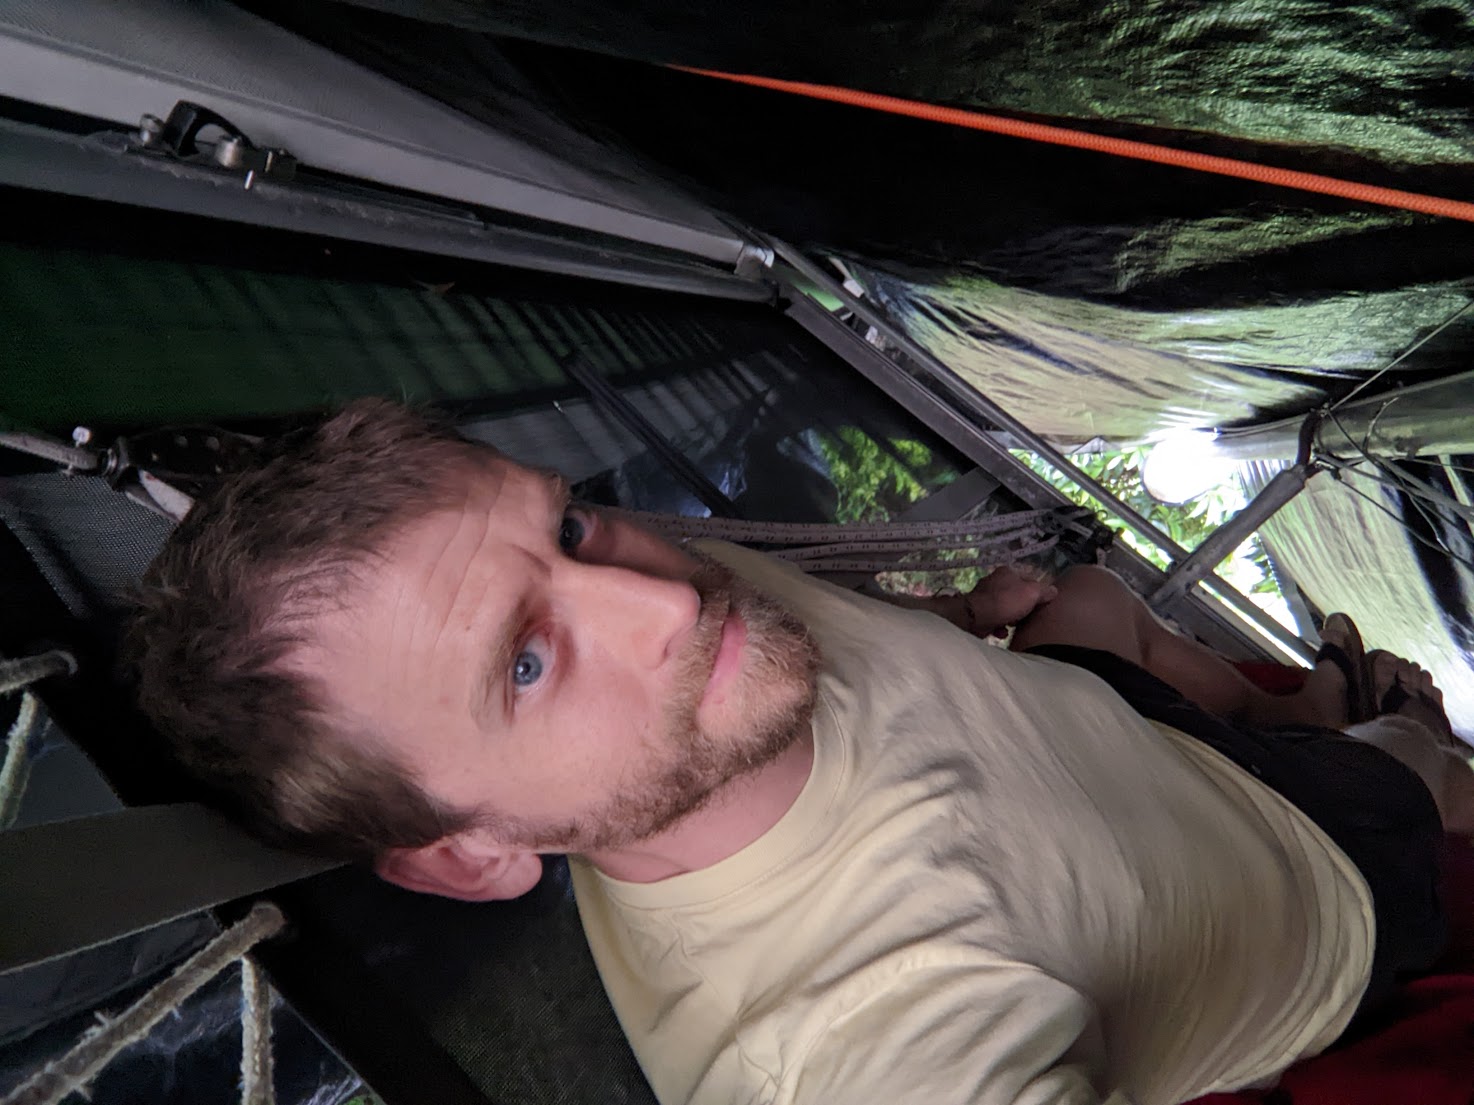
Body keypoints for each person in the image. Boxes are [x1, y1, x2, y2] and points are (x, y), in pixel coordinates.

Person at [126, 399, 1469, 1105]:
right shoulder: (844, 1047)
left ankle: (1280, 707)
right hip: (1322, 904)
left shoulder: (675, 616)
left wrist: (951, 619)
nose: (666, 598)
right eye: (525, 662)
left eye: (571, 528)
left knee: (1087, 609)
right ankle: (1360, 715)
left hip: (1130, 745)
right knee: (1418, 752)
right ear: (466, 851)